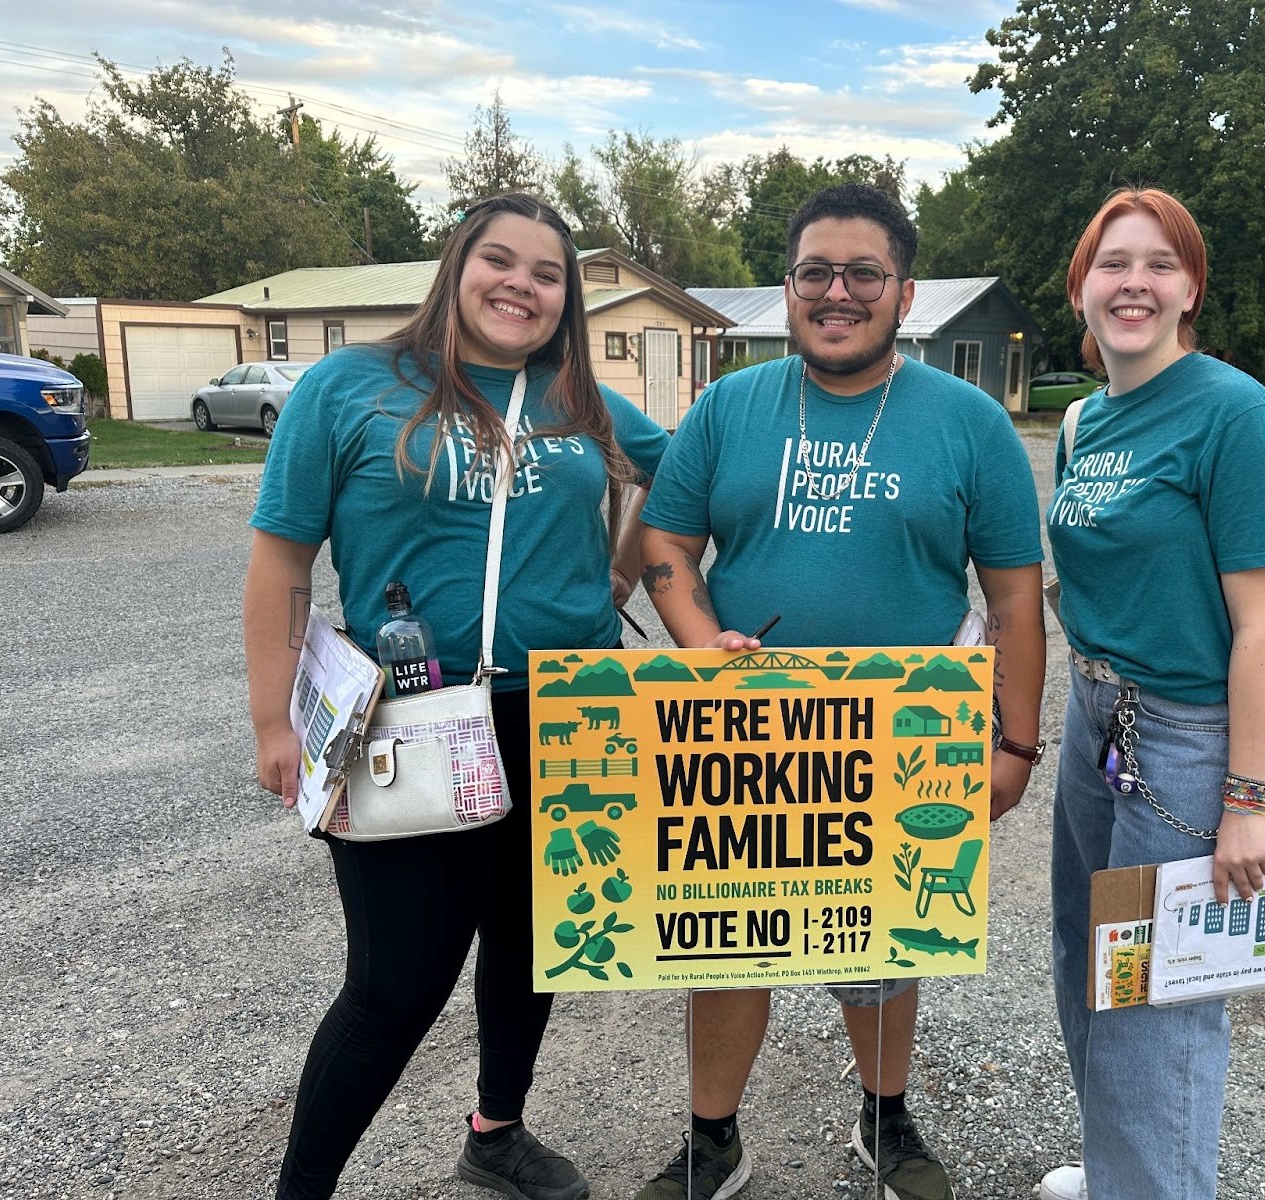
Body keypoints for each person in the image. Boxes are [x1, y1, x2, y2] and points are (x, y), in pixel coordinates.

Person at [242, 193, 669, 1200]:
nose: (521, 283)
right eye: (500, 260)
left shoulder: (578, 400)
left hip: (569, 715)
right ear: (456, 265)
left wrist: (617, 576)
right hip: (412, 721)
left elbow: (680, 480)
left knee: (533, 949)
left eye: (548, 273)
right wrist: (273, 721)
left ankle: (497, 1135)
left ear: (566, 300)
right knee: (393, 988)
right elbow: (280, 560)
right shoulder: (352, 387)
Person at [635, 183, 1047, 1200]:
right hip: (739, 731)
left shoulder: (967, 423)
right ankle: (711, 1141)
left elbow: (1014, 598)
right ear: (786, 289)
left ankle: (883, 1118)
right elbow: (664, 546)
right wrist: (697, 645)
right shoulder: (728, 408)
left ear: (904, 293)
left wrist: (1016, 742)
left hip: (901, 736)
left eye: (863, 273)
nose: (837, 291)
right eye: (815, 271)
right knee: (727, 943)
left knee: (880, 943)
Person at [1039, 188, 1265, 1200]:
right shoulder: (1079, 421)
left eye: (1158, 264)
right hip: (1095, 715)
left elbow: (1261, 626)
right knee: (1086, 958)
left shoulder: (1233, 414)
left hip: (1191, 738)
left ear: (1190, 287)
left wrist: (1247, 800)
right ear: (1080, 288)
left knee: (1159, 998)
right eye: (1113, 264)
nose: (1133, 283)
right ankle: (1121, 1170)